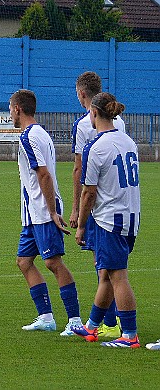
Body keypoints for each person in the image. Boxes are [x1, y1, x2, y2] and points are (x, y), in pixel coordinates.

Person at [71, 93, 142, 348]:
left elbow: (89, 191)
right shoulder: (128, 141)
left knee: (117, 276)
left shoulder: (96, 147)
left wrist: (81, 225)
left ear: (94, 113)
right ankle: (91, 326)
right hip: (130, 216)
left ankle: (130, 335)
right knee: (107, 275)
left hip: (110, 219)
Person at [10, 89, 82, 333]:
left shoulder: (28, 137)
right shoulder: (41, 133)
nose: (10, 113)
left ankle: (74, 321)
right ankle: (46, 317)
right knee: (24, 261)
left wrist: (51, 211)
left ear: (18, 109)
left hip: (42, 210)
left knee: (53, 262)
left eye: (11, 108)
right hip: (32, 213)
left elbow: (44, 174)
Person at [66, 71, 126, 338]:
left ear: (82, 94)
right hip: (121, 200)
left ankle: (111, 324)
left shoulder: (83, 125)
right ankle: (109, 322)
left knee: (105, 266)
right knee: (111, 266)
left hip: (98, 203)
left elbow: (79, 169)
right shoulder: (119, 122)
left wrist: (77, 210)